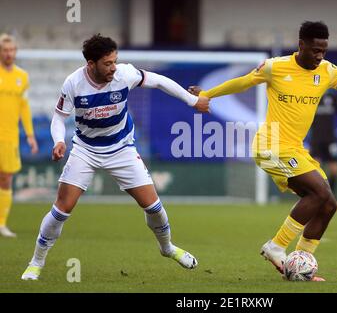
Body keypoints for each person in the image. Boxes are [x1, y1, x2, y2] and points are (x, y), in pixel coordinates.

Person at [188, 21, 337, 281]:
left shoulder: (327, 71)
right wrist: (208, 94)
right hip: (270, 146)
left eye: (323, 50)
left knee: (328, 205)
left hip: (295, 149)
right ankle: (275, 247)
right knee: (320, 192)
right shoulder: (274, 67)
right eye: (315, 50)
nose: (319, 56)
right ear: (301, 45)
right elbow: (243, 83)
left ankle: (297, 266)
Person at [21, 34, 210, 280]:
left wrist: (193, 100)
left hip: (121, 148)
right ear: (91, 63)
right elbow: (59, 117)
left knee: (154, 208)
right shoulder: (73, 83)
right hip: (86, 150)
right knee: (62, 209)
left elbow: (160, 81)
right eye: (107, 63)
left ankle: (167, 248)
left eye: (115, 61)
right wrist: (59, 141)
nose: (113, 67)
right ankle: (36, 262)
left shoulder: (125, 74)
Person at [0, 34, 39, 238]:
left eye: (11, 50)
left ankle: (1, 223)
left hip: (10, 137)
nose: (8, 53)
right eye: (5, 50)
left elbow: (24, 107)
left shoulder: (22, 77)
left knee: (6, 179)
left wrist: (30, 135)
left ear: (15, 52)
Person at [309, 89, 337, 195]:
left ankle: (330, 196)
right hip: (316, 138)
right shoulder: (310, 95)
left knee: (335, 169)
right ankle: (314, 196)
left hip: (330, 139)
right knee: (314, 169)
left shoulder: (333, 97)